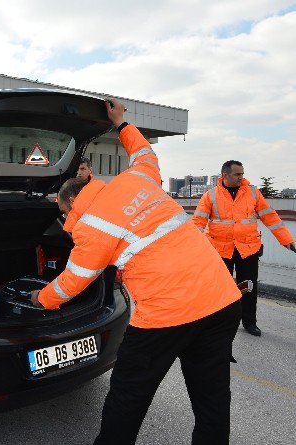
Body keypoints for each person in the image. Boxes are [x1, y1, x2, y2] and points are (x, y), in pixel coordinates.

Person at [30, 99, 242, 444]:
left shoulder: (90, 226)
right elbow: (145, 154)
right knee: (212, 398)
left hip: (166, 316)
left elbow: (72, 282)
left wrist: (39, 300)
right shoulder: (136, 179)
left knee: (128, 398)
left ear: (67, 204)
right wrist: (121, 124)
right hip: (221, 299)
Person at [192, 161, 295, 337]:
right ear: (225, 175)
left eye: (242, 174)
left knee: (248, 287)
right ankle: (218, 322)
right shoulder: (211, 195)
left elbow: (270, 217)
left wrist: (287, 240)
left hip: (248, 249)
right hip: (220, 249)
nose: (242, 177)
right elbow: (197, 223)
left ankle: (249, 322)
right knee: (220, 288)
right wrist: (189, 248)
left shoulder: (253, 193)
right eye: (237, 174)